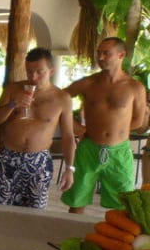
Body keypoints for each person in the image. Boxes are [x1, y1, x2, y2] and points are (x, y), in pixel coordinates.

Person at [61, 36, 149, 213]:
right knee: (77, 199)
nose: (100, 58)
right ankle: (71, 229)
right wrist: (75, 127)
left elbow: (139, 122)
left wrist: (116, 131)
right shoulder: (87, 83)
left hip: (119, 151)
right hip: (88, 148)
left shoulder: (135, 87)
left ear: (121, 55)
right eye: (99, 53)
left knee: (122, 204)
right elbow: (58, 101)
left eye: (106, 53)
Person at [0, 48, 76, 208]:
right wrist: (12, 104)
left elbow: (68, 136)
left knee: (36, 211)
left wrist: (69, 168)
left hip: (39, 161)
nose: (33, 77)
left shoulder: (62, 98)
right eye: (29, 72)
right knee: (1, 209)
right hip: (9, 158)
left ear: (51, 71)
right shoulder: (13, 89)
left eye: (39, 72)